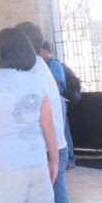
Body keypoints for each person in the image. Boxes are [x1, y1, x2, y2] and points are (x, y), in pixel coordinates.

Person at [0, 27, 58, 203]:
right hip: (37, 161)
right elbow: (48, 126)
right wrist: (54, 160)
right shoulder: (37, 82)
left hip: (6, 166)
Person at [17, 23, 70, 203]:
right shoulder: (37, 66)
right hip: (53, 145)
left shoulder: (34, 72)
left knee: (55, 197)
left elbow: (44, 121)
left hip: (49, 148)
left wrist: (52, 157)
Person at [41, 41, 76, 171]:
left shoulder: (54, 64)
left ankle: (69, 159)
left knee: (63, 130)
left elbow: (57, 82)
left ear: (45, 51)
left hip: (58, 101)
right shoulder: (47, 65)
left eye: (40, 51)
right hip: (54, 101)